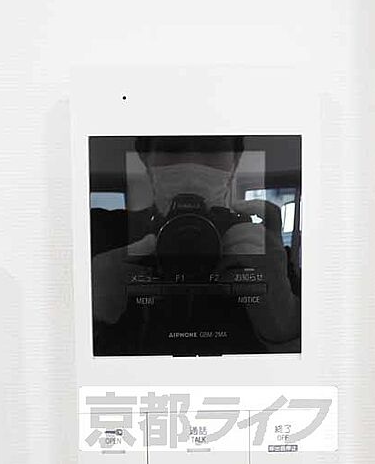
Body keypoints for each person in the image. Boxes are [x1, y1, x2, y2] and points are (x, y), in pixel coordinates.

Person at [90, 136, 300, 355]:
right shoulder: (101, 231)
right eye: (171, 148)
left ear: (235, 160)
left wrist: (282, 316)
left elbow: (309, 354)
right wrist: (89, 305)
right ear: (145, 158)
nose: (191, 162)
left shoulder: (262, 248)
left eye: (212, 148)